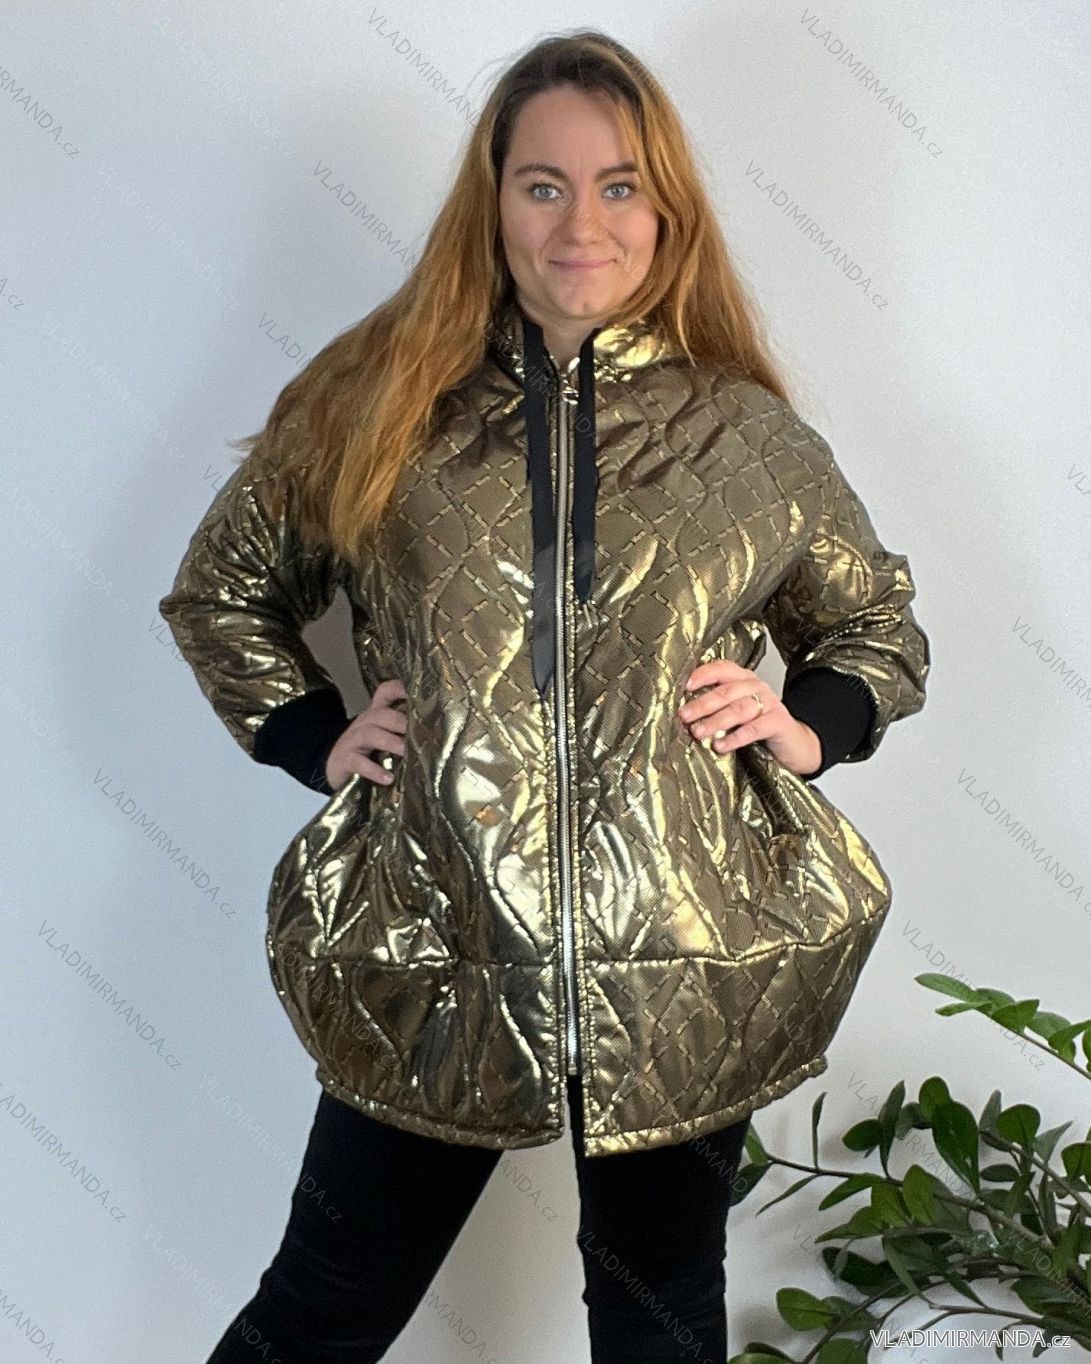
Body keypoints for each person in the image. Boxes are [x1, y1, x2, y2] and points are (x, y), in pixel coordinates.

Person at [159, 28, 930, 1364]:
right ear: (495, 201)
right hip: (433, 937)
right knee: (325, 1307)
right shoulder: (380, 408)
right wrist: (316, 738)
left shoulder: (747, 437)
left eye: (620, 185)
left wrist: (809, 725)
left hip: (686, 952)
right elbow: (223, 591)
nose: (583, 222)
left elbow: (874, 622)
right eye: (544, 184)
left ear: (665, 209)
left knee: (657, 1317)